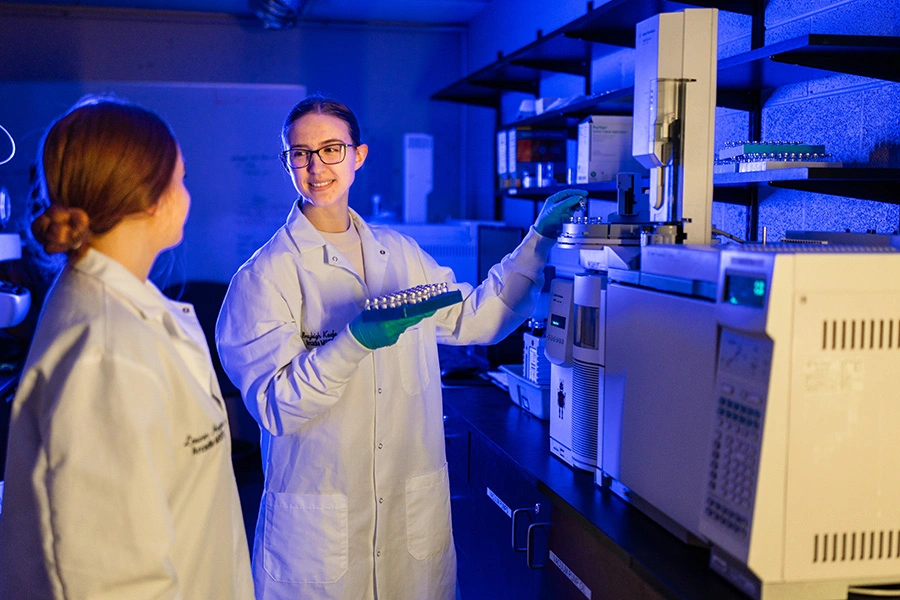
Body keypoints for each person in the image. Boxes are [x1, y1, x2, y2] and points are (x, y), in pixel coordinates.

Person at [215, 93, 586, 600]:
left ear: (357, 156)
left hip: (410, 530)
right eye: (299, 153)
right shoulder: (263, 277)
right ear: (287, 162)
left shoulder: (401, 255)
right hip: (318, 536)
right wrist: (354, 341)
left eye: (330, 150)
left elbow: (477, 318)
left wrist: (538, 241)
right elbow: (277, 407)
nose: (315, 166)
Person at [0, 96, 254, 599]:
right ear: (150, 199)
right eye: (180, 178)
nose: (186, 193)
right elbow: (113, 581)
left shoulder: (117, 309)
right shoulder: (107, 352)